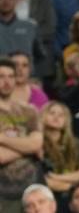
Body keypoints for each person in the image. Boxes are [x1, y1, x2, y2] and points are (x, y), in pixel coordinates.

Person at [0, 57, 43, 212]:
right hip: (3, 192)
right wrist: (27, 148)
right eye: (1, 76)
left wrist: (2, 138)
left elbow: (37, 144)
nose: (7, 81)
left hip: (33, 187)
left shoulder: (29, 111)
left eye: (11, 76)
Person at [39, 101, 79, 207]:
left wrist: (59, 178)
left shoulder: (76, 144)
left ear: (66, 120)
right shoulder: (38, 144)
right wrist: (77, 181)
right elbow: (46, 181)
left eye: (61, 115)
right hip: (49, 200)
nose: (56, 117)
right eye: (52, 113)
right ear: (43, 116)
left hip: (76, 199)